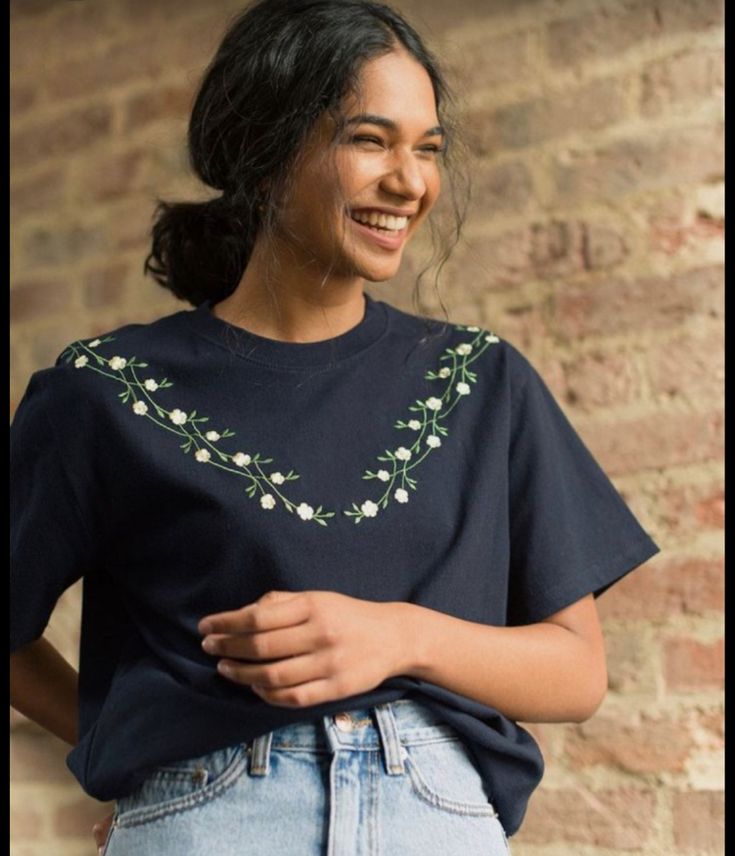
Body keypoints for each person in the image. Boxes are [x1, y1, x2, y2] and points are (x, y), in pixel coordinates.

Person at [10, 1, 660, 854]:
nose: (409, 181)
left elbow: (576, 672)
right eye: (369, 139)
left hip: (436, 817)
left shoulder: (478, 380)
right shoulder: (107, 390)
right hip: (213, 820)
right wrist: (140, 749)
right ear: (265, 152)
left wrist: (401, 636)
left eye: (426, 148)